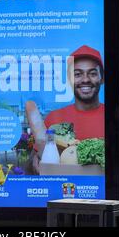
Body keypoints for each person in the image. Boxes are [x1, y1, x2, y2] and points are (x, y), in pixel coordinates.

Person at [26, 45, 104, 174]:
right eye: (77, 74)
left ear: (102, 79)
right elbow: (32, 163)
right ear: (69, 79)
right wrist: (34, 161)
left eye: (93, 73)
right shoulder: (54, 118)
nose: (85, 79)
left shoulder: (111, 117)